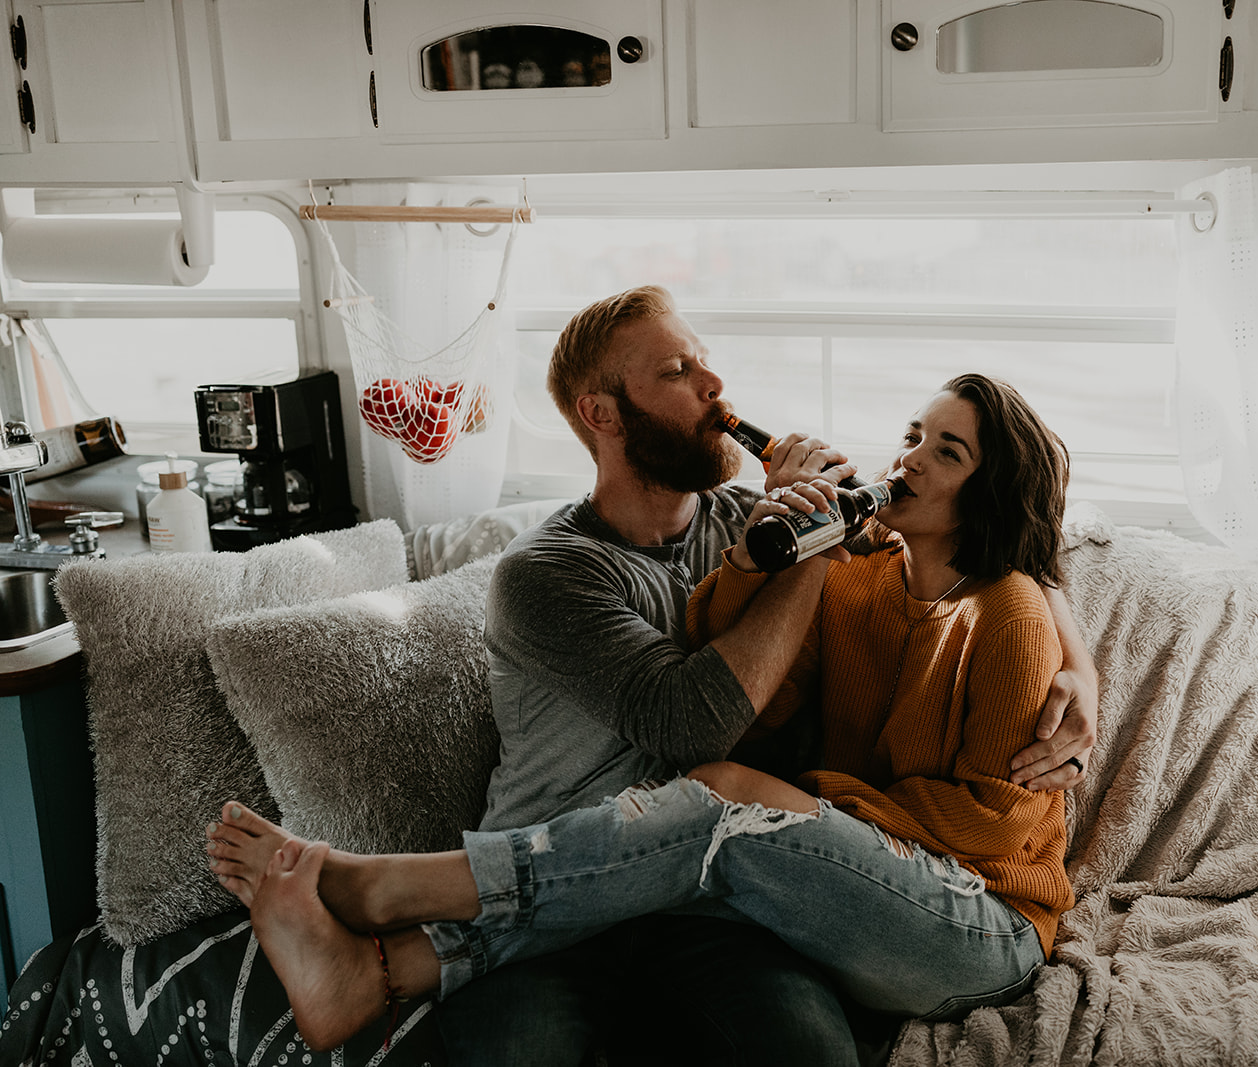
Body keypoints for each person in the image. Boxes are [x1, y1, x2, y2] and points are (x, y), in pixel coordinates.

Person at [211, 287, 1098, 1062]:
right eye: (679, 371)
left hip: (732, 895)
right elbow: (696, 722)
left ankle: (400, 932)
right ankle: (404, 944)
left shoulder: (769, 522)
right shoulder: (554, 571)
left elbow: (1003, 554)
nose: (716, 388)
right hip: (585, 885)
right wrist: (795, 556)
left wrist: (1075, 663)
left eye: (707, 363)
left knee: (805, 1039)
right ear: (604, 412)